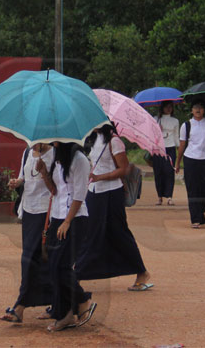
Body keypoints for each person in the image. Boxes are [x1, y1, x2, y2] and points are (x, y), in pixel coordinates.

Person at [75, 124, 152, 291]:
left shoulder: (114, 141)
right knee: (91, 232)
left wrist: (99, 177)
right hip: (94, 191)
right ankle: (78, 274)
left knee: (118, 233)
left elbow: (123, 169)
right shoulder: (94, 139)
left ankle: (141, 272)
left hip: (111, 193)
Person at [36, 142, 96, 332]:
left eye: (55, 140)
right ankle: (66, 314)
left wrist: (68, 221)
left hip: (75, 219)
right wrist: (45, 172)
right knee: (54, 267)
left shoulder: (80, 160)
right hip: (57, 217)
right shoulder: (58, 159)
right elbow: (55, 191)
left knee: (62, 265)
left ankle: (81, 300)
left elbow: (80, 194)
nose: (52, 143)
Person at [0, 143, 55, 323]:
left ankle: (20, 306)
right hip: (29, 211)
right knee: (37, 260)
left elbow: (56, 189)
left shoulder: (55, 155)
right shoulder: (27, 152)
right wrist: (16, 182)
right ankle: (58, 302)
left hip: (46, 212)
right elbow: (23, 177)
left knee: (32, 259)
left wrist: (45, 172)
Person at [175, 98, 205, 228]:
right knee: (193, 189)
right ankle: (195, 218)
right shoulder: (186, 125)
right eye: (195, 107)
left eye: (200, 107)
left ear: (204, 110)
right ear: (191, 110)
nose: (198, 109)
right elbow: (182, 144)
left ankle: (200, 211)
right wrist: (177, 163)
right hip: (191, 158)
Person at [152, 101, 180, 206]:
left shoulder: (175, 121)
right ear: (162, 108)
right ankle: (159, 197)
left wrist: (179, 149)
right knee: (158, 173)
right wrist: (157, 129)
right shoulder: (155, 119)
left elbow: (176, 136)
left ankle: (169, 197)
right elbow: (151, 133)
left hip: (170, 148)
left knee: (169, 172)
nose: (168, 109)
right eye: (166, 107)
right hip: (158, 149)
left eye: (170, 107)